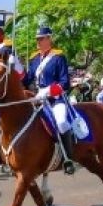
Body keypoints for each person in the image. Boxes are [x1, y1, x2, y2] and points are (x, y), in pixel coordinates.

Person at [23, 26, 75, 174]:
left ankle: (68, 158)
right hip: (38, 99)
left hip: (56, 99)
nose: (38, 42)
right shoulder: (34, 59)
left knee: (61, 122)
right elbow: (27, 80)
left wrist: (48, 91)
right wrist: (16, 67)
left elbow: (65, 83)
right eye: (37, 39)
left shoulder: (58, 57)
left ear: (49, 39)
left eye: (41, 39)